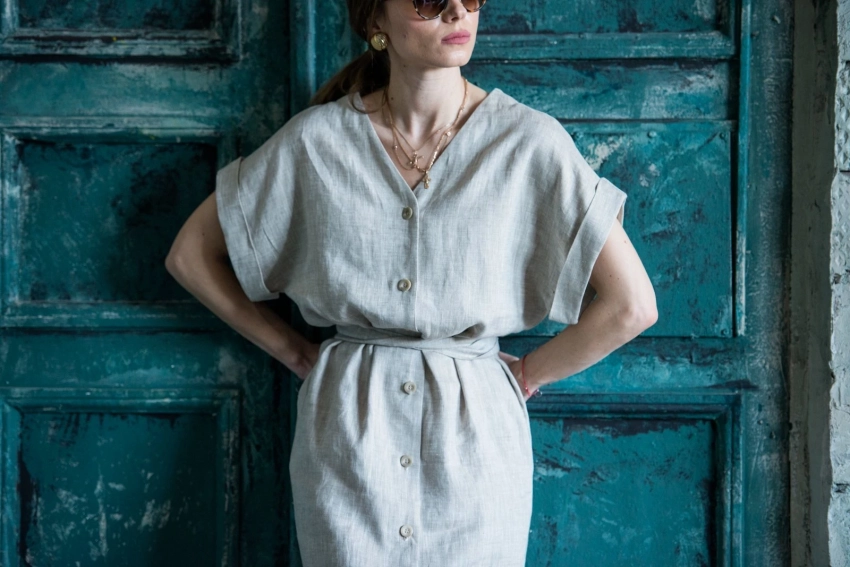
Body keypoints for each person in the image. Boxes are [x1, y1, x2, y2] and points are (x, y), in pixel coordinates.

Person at [165, 0, 658, 564]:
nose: (457, 11)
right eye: (428, 0)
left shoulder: (528, 142)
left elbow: (632, 305)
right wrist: (296, 353)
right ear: (377, 20)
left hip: (476, 447)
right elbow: (190, 255)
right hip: (348, 442)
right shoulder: (316, 141)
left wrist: (525, 375)